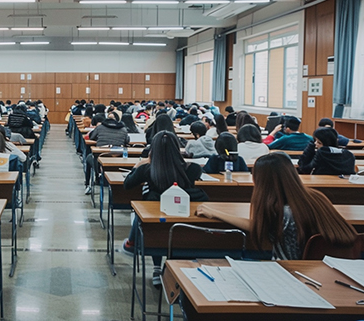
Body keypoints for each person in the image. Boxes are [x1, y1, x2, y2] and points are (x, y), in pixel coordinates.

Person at [197, 152, 357, 260]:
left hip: (291, 273)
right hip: (325, 268)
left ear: (263, 182)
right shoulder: (314, 196)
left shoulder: (284, 213)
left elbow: (260, 229)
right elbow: (261, 225)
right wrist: (216, 213)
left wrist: (215, 213)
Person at [121, 130, 208, 287]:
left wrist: (139, 164)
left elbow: (127, 184)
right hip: (185, 223)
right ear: (177, 147)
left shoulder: (147, 170)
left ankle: (156, 268)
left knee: (151, 221)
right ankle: (176, 268)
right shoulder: (193, 169)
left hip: (156, 225)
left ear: (153, 149)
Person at [84, 114, 130, 194]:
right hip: (119, 162)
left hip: (99, 161)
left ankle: (88, 183)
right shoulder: (123, 129)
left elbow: (92, 137)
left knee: (89, 157)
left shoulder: (100, 127)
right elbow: (127, 141)